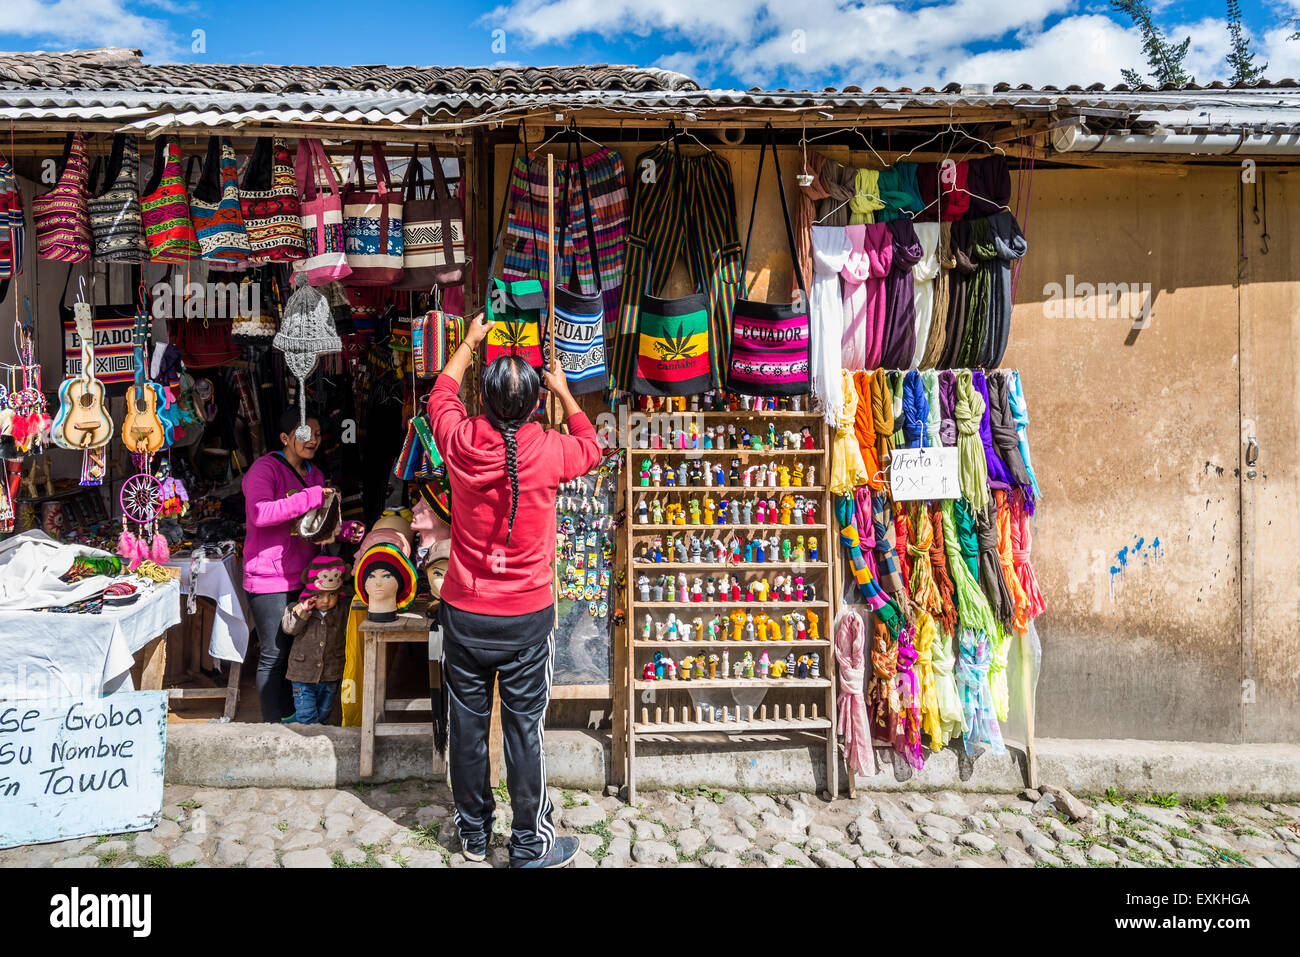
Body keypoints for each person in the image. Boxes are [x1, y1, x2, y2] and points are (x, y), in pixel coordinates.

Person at [428, 315, 601, 869]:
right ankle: (528, 845)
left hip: (464, 614)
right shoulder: (550, 450)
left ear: (484, 400)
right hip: (527, 619)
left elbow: (441, 393)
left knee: (468, 728)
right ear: (532, 407)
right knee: (526, 732)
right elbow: (592, 447)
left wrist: (469, 342)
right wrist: (566, 392)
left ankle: (474, 836)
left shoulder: (458, 441)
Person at [242, 411, 328, 722]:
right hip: (269, 578)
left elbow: (316, 523)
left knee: (298, 651)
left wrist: (344, 529)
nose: (313, 440)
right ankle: (271, 724)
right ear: (285, 438)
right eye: (306, 433)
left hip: (304, 575)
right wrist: (311, 496)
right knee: (274, 654)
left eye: (318, 434)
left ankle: (294, 717)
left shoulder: (313, 473)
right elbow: (260, 513)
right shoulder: (264, 469)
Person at [280, 556, 349, 724]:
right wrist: (302, 611)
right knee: (307, 716)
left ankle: (315, 739)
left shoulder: (342, 610)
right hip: (302, 674)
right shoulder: (298, 609)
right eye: (319, 595)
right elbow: (289, 628)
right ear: (310, 592)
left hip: (331, 672)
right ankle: (309, 744)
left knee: (324, 715)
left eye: (332, 594)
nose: (326, 600)